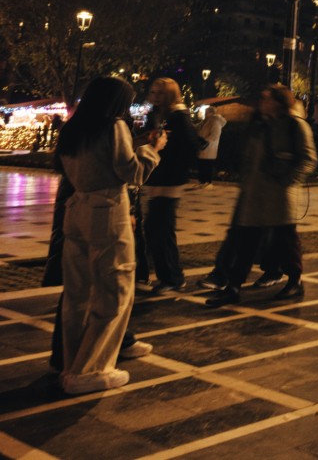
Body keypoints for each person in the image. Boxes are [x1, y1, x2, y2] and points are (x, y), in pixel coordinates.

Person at [53, 76, 164, 394]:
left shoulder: (73, 128)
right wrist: (152, 150)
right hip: (107, 212)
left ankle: (71, 363)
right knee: (114, 291)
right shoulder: (113, 126)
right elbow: (130, 172)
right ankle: (90, 370)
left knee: (78, 295)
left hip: (76, 211)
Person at [205, 85, 317, 306]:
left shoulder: (295, 125)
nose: (262, 102)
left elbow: (309, 159)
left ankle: (295, 281)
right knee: (245, 241)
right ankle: (233, 286)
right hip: (254, 193)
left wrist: (287, 181)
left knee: (286, 241)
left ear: (279, 102)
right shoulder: (259, 124)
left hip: (280, 195)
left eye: (267, 98)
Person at [143, 77, 199, 294]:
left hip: (169, 181)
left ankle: (172, 277)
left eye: (160, 93)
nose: (155, 96)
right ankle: (166, 275)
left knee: (161, 229)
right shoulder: (158, 116)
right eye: (153, 92)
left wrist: (172, 164)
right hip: (156, 179)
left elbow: (190, 148)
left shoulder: (178, 118)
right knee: (154, 229)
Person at [194, 106, 226, 187]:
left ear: (211, 112)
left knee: (208, 165)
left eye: (206, 112)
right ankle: (202, 182)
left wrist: (205, 141)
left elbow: (215, 135)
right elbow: (196, 127)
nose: (205, 114)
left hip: (209, 147)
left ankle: (208, 182)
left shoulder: (215, 121)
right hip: (202, 146)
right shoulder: (205, 121)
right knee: (202, 165)